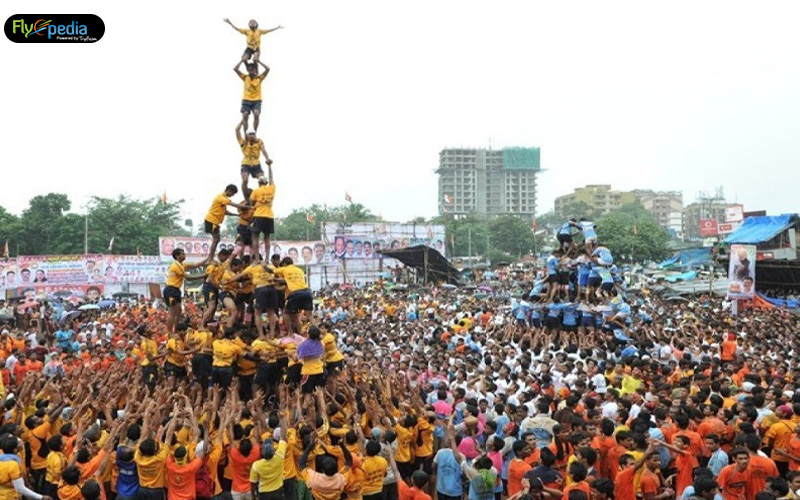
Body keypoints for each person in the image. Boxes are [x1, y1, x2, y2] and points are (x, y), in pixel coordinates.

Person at [163, 248, 208, 334]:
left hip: (176, 290)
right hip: (170, 290)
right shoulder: (175, 266)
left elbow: (196, 265)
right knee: (172, 312)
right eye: (182, 254)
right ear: (177, 256)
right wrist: (203, 275)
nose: (184, 255)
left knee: (179, 311)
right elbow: (188, 277)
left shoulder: (182, 264)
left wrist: (207, 258)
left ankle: (175, 330)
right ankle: (169, 332)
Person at [204, 185, 248, 262]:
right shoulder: (221, 197)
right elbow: (234, 204)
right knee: (216, 239)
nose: (232, 195)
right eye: (233, 193)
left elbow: (225, 212)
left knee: (216, 239)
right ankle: (210, 258)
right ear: (229, 190)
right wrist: (249, 207)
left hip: (214, 221)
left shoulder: (223, 199)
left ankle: (210, 257)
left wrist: (237, 215)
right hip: (211, 220)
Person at [269, 258, 312, 335]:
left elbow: (273, 271)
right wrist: (275, 286)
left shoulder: (285, 270)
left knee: (285, 313)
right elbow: (283, 287)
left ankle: (290, 333)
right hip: (306, 291)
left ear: (284, 264)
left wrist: (273, 278)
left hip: (294, 294)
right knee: (302, 316)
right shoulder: (299, 270)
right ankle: (301, 333)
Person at [234, 60, 270, 132]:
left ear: (255, 70)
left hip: (256, 100)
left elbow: (267, 69)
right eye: (249, 70)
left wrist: (259, 61)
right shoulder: (245, 77)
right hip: (246, 100)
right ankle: (246, 133)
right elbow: (235, 69)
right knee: (245, 115)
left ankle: (254, 132)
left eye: (252, 70)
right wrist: (242, 60)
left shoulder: (259, 78)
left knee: (256, 114)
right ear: (248, 70)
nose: (251, 71)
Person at [250, 172, 276, 263]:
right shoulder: (272, 189)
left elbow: (252, 202)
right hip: (269, 215)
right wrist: (269, 166)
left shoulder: (256, 191)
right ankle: (267, 258)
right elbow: (271, 178)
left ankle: (257, 258)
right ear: (266, 182)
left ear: (259, 183)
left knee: (255, 236)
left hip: (259, 214)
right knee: (267, 237)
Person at [236, 123, 272, 188]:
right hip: (246, 163)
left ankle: (261, 194)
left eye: (253, 134)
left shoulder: (259, 142)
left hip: (256, 163)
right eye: (250, 134)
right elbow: (237, 130)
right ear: (247, 136)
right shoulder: (243, 142)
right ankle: (246, 195)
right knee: (245, 180)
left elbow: (264, 150)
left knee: (262, 179)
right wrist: (242, 121)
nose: (252, 135)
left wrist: (267, 159)